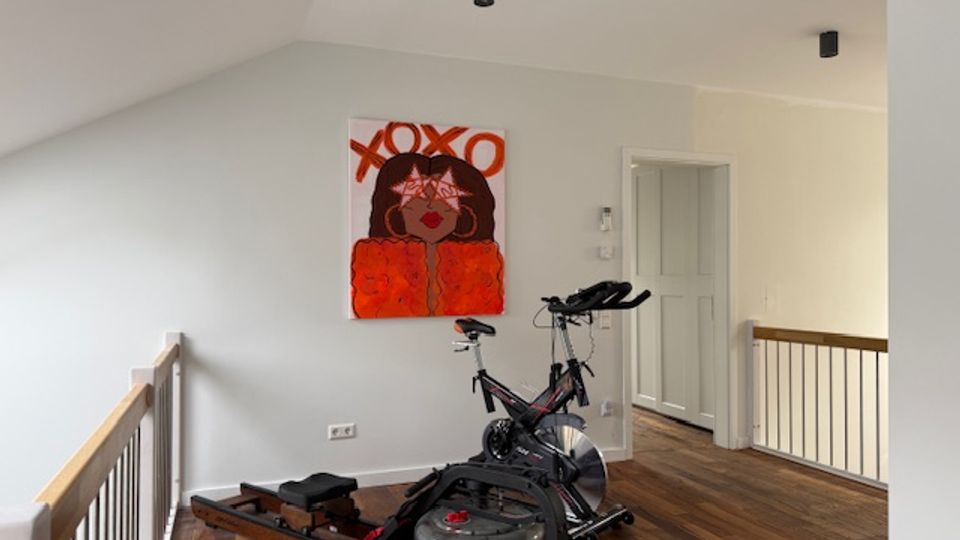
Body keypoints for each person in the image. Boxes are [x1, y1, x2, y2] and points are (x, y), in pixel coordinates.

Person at [351, 153, 504, 318]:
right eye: (418, 196)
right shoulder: (373, 263)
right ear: (396, 206)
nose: (430, 206)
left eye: (443, 195)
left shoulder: (484, 264)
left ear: (464, 207)